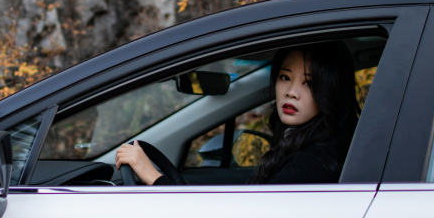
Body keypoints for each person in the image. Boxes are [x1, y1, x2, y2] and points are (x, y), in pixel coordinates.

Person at [115, 42, 360, 185]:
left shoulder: (314, 163)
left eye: (309, 83)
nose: (292, 92)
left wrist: (151, 175)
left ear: (332, 91)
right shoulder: (321, 146)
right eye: (285, 77)